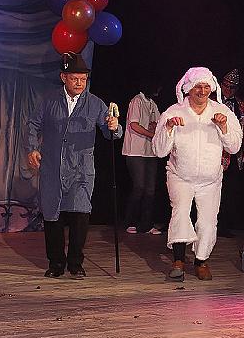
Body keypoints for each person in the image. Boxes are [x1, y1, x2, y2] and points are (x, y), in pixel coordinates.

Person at [27, 52, 122, 278]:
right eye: (74, 79)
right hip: (52, 167)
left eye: (83, 79)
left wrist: (114, 126)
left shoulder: (95, 104)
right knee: (53, 215)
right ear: (64, 78)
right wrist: (32, 148)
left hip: (81, 169)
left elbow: (111, 133)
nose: (79, 83)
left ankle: (76, 263)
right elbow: (33, 124)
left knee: (80, 214)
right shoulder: (49, 100)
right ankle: (56, 263)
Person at [153, 67, 243, 281]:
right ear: (188, 89)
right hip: (180, 176)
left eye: (206, 87)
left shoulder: (222, 112)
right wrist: (168, 128)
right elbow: (159, 150)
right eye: (198, 87)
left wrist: (223, 127)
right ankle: (178, 261)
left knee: (207, 222)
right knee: (181, 213)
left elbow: (234, 147)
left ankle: (201, 261)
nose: (202, 91)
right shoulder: (173, 112)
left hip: (210, 180)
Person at [122, 83, 162, 235]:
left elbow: (158, 123)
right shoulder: (137, 101)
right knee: (139, 187)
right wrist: (151, 133)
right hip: (135, 151)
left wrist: (155, 127)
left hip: (150, 152)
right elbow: (134, 125)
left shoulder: (152, 103)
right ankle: (130, 221)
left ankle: (146, 224)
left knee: (150, 189)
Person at [218, 69, 244, 237]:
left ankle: (224, 226)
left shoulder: (241, 104)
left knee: (230, 191)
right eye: (226, 86)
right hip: (215, 153)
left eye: (232, 87)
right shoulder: (213, 102)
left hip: (234, 153)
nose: (228, 90)